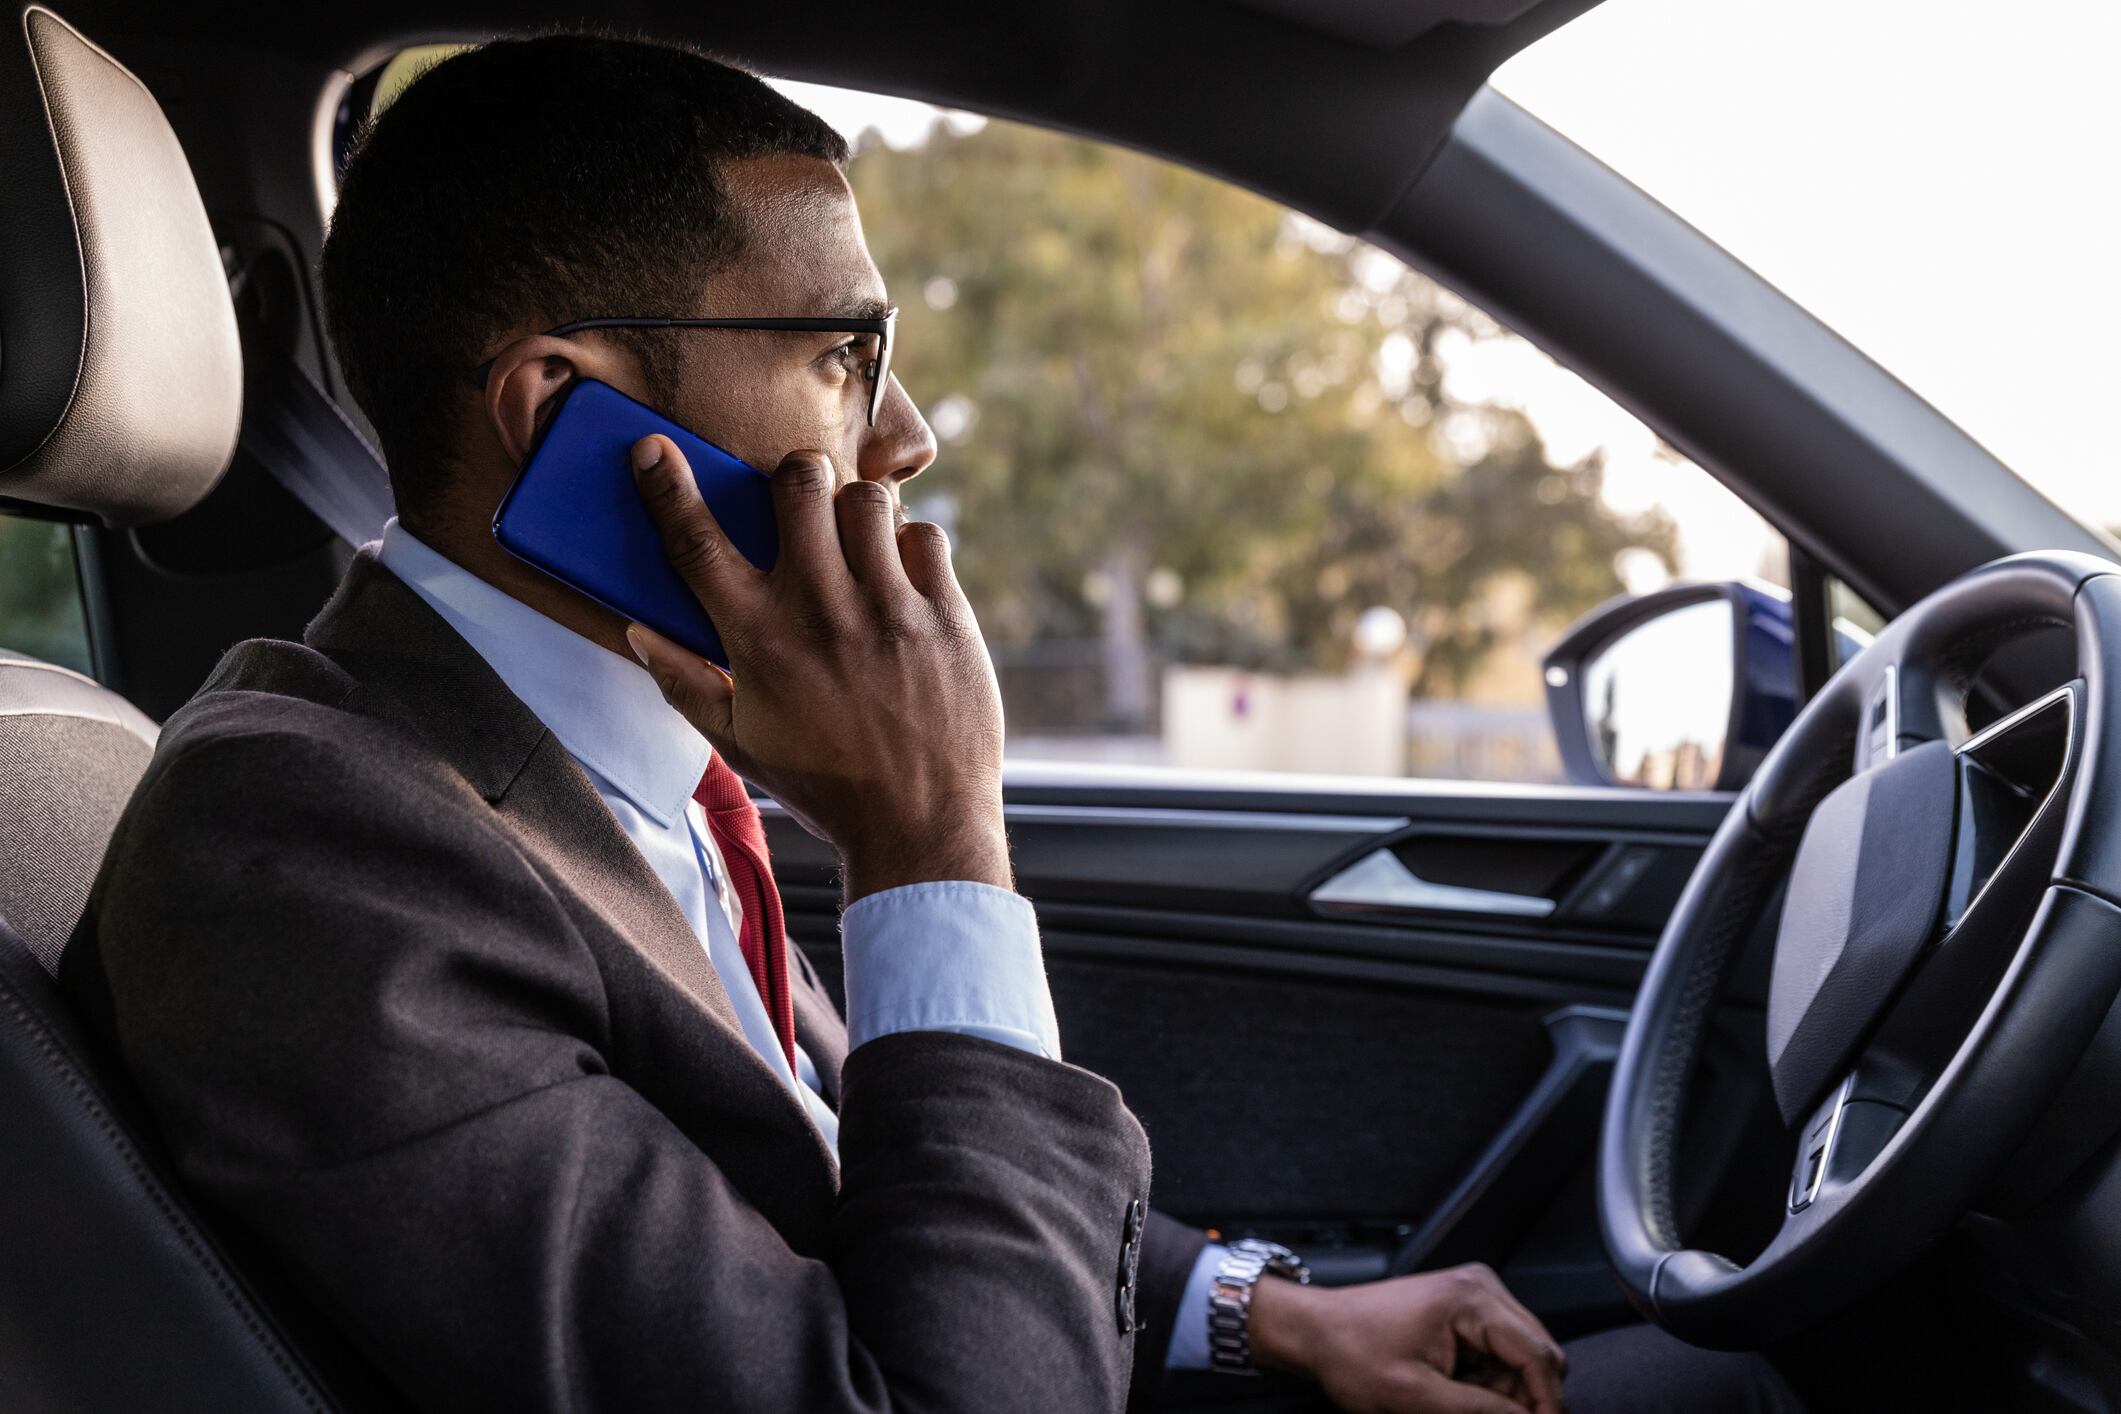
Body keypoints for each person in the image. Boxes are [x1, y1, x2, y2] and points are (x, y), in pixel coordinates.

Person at [66, 32, 1802, 1414]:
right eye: (843, 353)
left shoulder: (598, 746)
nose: (904, 436)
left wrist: (1260, 1311)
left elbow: (829, 1159)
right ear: (565, 408)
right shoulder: (304, 849)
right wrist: (933, 842)